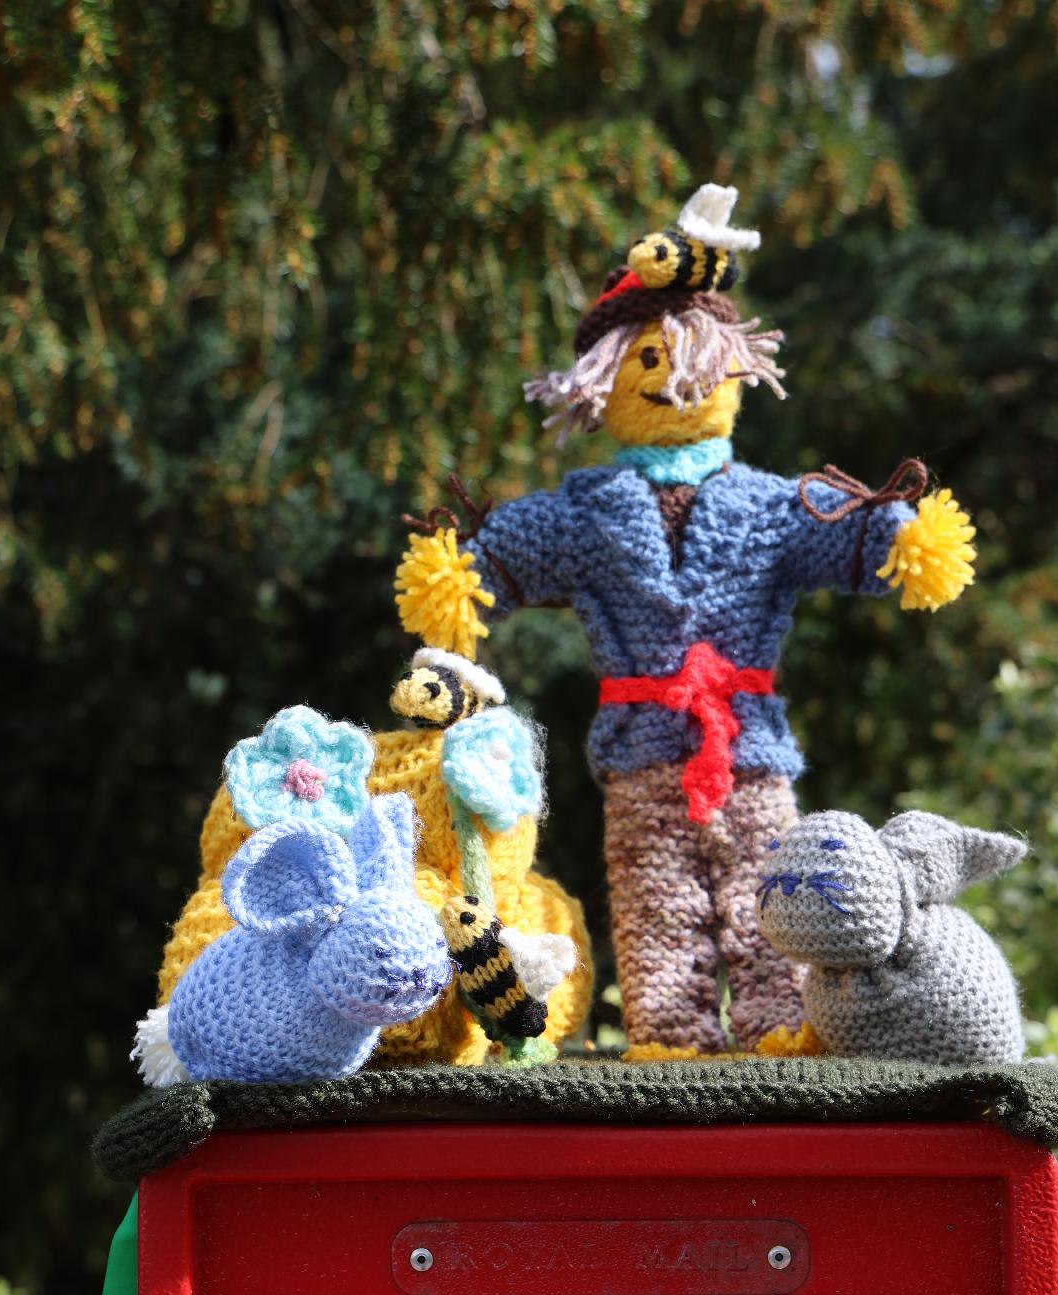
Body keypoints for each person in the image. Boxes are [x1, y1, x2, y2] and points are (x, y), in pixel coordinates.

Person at [394, 184, 977, 1055]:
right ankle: (668, 1033)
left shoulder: (774, 506)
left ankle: (783, 1023)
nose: (672, 381)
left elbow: (849, 533)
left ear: (731, 368)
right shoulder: (590, 511)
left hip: (750, 749)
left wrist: (905, 540)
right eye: (648, 362)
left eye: (690, 360)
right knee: (657, 901)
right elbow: (502, 558)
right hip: (641, 752)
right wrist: (456, 575)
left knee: (770, 897)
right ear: (606, 380)